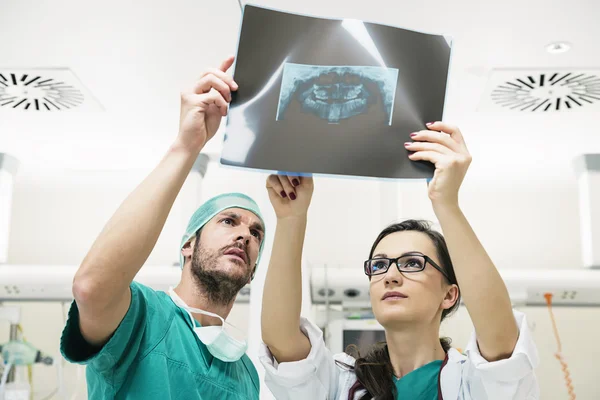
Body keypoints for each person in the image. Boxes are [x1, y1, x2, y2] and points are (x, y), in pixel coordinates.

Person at [260, 122, 539, 399]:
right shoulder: (342, 383)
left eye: (412, 263)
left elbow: (502, 345)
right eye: (379, 265)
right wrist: (290, 219)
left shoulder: (471, 382)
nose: (390, 276)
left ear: (450, 294)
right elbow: (281, 342)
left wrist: (446, 203)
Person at [60, 56, 266, 399]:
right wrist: (187, 146)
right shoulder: (143, 318)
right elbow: (91, 287)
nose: (245, 234)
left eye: (256, 233)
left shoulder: (245, 373)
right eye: (228, 221)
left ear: (255, 269)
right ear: (188, 245)